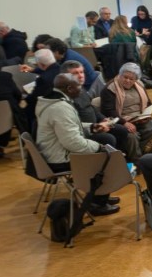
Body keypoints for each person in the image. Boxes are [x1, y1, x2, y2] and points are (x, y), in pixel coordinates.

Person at [35, 73, 119, 215]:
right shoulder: (60, 108)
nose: (81, 89)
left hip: (54, 151)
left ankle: (100, 195)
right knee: (105, 156)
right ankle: (96, 203)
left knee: (107, 141)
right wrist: (100, 148)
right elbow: (73, 143)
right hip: (59, 158)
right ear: (70, 88)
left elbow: (71, 126)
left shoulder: (53, 101)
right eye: (78, 86)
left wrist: (92, 127)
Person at [99, 63, 152, 156]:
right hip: (120, 119)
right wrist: (124, 122)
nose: (128, 80)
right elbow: (108, 111)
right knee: (132, 136)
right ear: (120, 75)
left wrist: (147, 115)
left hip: (139, 117)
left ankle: (136, 151)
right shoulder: (109, 89)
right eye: (125, 77)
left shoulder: (139, 84)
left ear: (136, 80)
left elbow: (148, 102)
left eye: (131, 79)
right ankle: (137, 159)